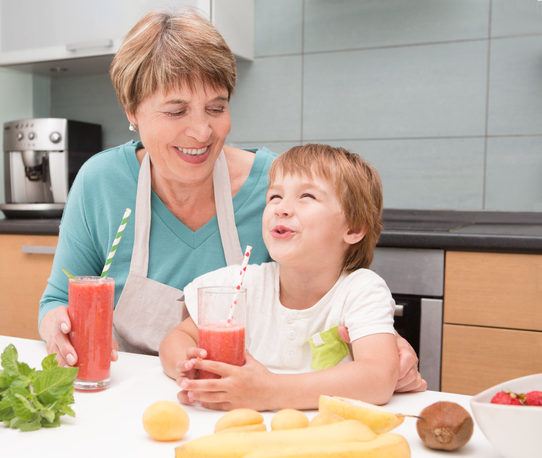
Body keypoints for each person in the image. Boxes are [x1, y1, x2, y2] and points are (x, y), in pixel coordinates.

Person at [38, 7, 426, 393]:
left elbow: (330, 301)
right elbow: (57, 299)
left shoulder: (280, 189)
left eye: (217, 107)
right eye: (176, 110)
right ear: (132, 111)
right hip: (124, 394)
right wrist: (59, 327)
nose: (202, 130)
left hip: (246, 401)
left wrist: (385, 351)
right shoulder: (100, 182)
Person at [159, 144, 399, 410]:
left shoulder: (361, 291)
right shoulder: (239, 284)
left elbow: (379, 377)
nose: (281, 209)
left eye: (306, 196)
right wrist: (191, 367)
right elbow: (177, 338)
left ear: (353, 228)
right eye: (274, 197)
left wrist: (269, 392)